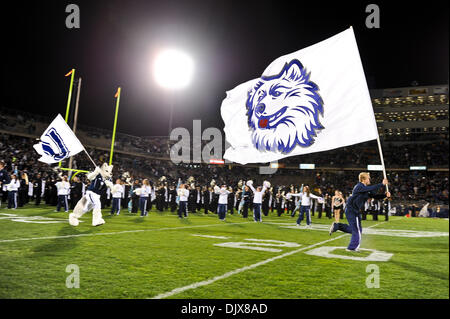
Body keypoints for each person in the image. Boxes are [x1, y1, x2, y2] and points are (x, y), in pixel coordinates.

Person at [329, 172, 390, 251]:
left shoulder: (365, 189)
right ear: (363, 179)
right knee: (356, 230)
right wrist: (381, 184)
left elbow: (375, 196)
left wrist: (385, 195)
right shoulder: (359, 186)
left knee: (356, 230)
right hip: (351, 210)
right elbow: (370, 188)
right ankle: (352, 248)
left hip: (356, 210)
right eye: (368, 178)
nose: (369, 179)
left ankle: (337, 226)